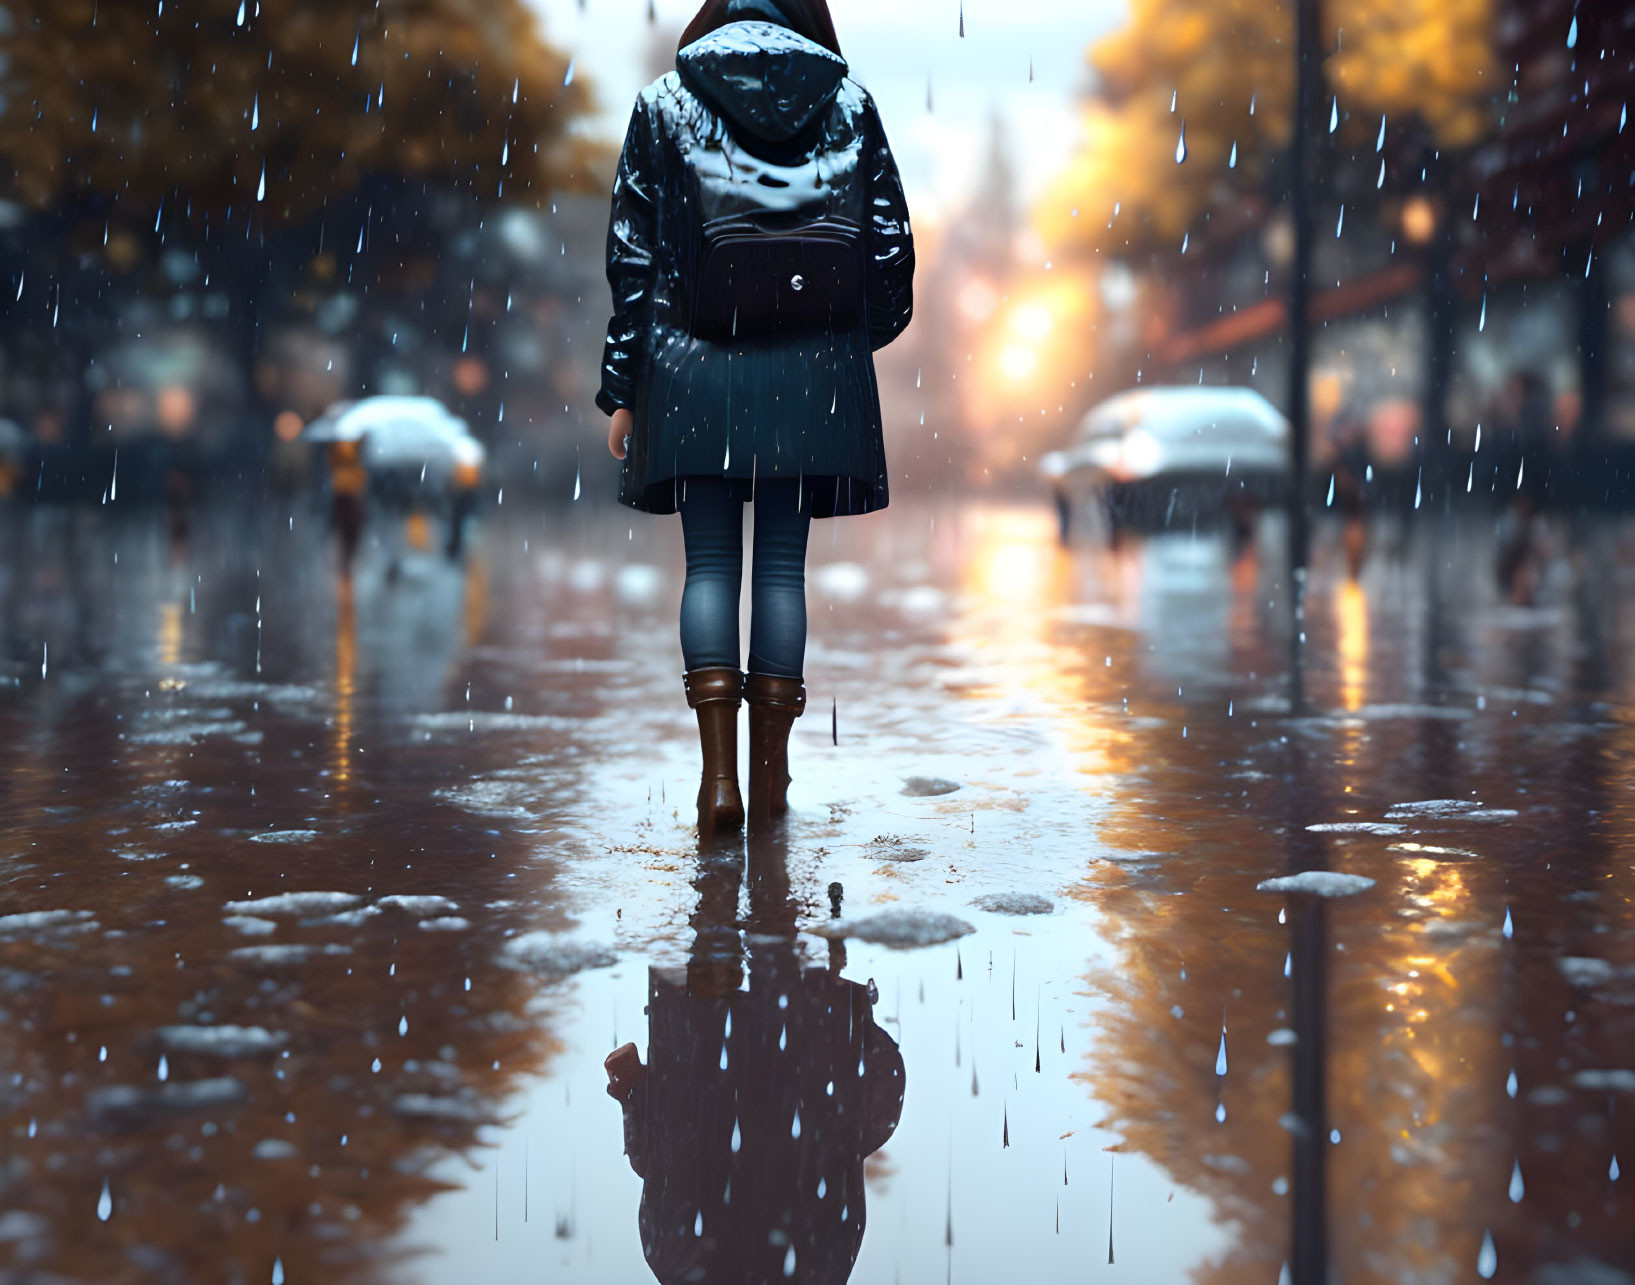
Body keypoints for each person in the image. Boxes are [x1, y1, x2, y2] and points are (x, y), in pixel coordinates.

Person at [595, 0, 915, 833]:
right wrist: (841, 333)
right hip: (813, 377)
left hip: (688, 368)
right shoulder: (849, 101)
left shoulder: (663, 101)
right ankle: (771, 780)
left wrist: (622, 385)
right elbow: (888, 251)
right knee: (780, 572)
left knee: (708, 570)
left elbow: (631, 254)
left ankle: (716, 783)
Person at [604, 831, 905, 1283]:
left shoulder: (820, 1267)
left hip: (772, 1031)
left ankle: (743, 842)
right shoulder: (675, 1262)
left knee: (751, 884)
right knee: (733, 885)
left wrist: (861, 1031)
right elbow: (654, 1159)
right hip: (725, 1031)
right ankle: (740, 845)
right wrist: (634, 1090)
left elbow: (875, 1113)